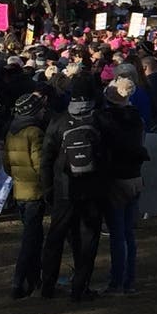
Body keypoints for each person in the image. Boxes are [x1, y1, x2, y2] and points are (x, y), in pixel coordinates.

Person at [39, 72, 109, 301]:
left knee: (56, 237)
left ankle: (47, 284)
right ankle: (81, 286)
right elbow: (109, 154)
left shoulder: (58, 120)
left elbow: (46, 158)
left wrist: (47, 188)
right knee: (88, 238)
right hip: (92, 187)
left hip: (64, 187)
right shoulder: (99, 120)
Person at [98, 75, 150, 295]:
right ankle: (129, 280)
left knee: (119, 233)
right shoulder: (137, 119)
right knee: (128, 232)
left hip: (117, 177)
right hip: (135, 176)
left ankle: (118, 281)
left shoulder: (106, 120)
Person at [4, 90, 48, 299]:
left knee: (34, 237)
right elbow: (40, 164)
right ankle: (19, 280)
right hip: (33, 191)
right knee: (31, 240)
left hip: (19, 189)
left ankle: (34, 279)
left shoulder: (11, 132)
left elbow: (6, 165)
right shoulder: (34, 132)